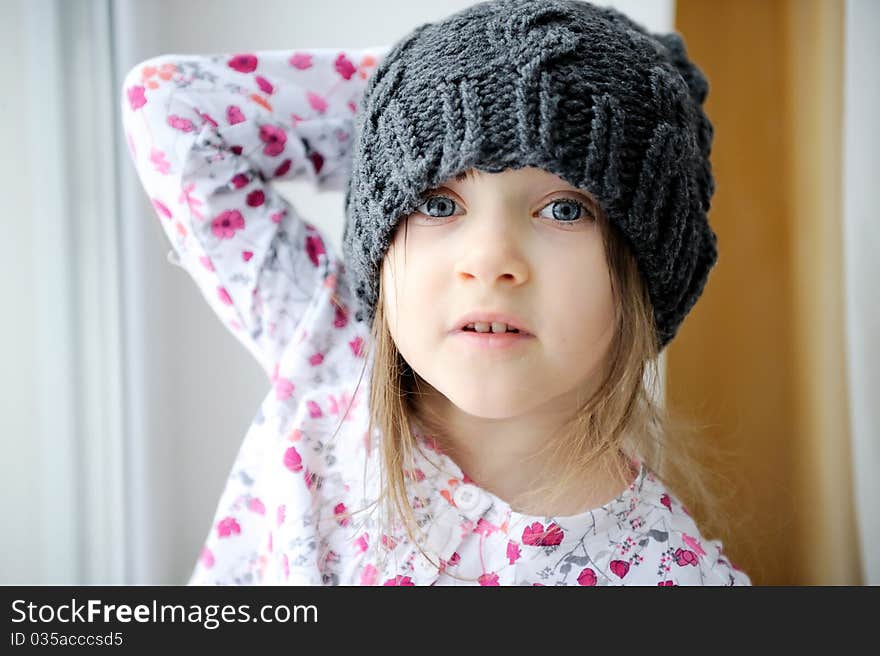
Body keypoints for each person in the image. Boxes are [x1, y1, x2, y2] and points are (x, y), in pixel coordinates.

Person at [121, 0, 751, 586]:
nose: (490, 261)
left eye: (563, 209)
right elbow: (171, 105)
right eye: (438, 202)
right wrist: (418, 89)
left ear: (645, 269)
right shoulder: (334, 356)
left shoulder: (667, 572)